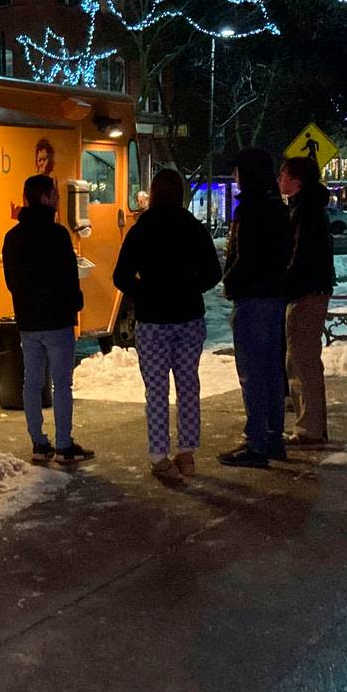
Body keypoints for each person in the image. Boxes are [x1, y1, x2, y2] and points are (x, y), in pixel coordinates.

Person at [113, 167, 222, 481]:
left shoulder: (141, 230)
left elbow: (120, 276)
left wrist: (146, 291)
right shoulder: (194, 228)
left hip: (153, 321)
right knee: (188, 386)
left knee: (157, 391)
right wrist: (189, 287)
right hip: (189, 318)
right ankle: (186, 454)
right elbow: (214, 273)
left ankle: (160, 456)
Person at [2, 174, 93, 464]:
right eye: (53, 193)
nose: (57, 198)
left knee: (31, 382)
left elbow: (11, 281)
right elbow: (68, 278)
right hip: (57, 321)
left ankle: (39, 443)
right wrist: (74, 304)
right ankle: (64, 444)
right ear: (43, 198)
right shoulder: (57, 235)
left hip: (28, 322)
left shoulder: (13, 238)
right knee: (61, 384)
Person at [219, 147, 292, 468]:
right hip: (274, 297)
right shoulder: (277, 208)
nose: (235, 177)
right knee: (272, 370)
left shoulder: (251, 209)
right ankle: (272, 437)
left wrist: (230, 280)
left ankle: (257, 442)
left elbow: (246, 257)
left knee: (253, 373)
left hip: (253, 298)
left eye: (237, 171)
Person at [278, 156, 335, 448]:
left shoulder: (305, 212)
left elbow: (301, 258)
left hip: (305, 293)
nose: (280, 180)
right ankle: (312, 425)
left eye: (284, 174)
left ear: (296, 180)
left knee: (302, 360)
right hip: (312, 290)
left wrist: (284, 286)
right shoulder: (308, 208)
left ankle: (309, 428)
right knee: (303, 359)